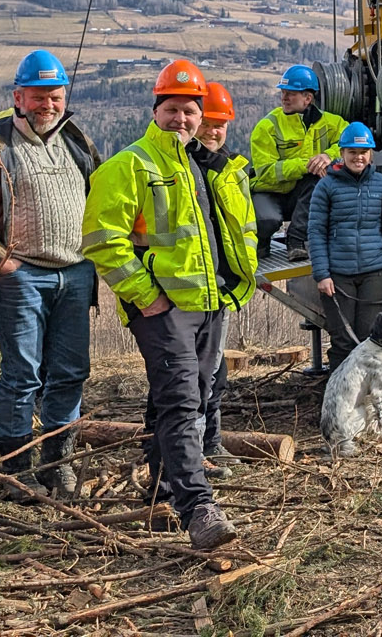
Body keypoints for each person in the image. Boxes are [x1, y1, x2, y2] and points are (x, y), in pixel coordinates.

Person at [82, 59, 257, 550]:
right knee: (181, 401)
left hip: (210, 301)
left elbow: (236, 231)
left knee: (187, 398)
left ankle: (161, 493)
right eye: (172, 109)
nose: (181, 119)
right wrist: (147, 296)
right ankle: (198, 508)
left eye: (190, 111)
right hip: (163, 308)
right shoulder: (131, 165)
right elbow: (102, 240)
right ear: (155, 111)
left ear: (202, 115)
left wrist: (232, 287)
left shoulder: (210, 167)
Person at [0, 50, 100, 497]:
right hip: (21, 277)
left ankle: (58, 463)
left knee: (70, 372)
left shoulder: (75, 140)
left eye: (55, 96)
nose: (47, 104)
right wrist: (2, 262)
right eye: (38, 96)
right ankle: (14, 468)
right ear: (18, 97)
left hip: (75, 273)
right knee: (22, 375)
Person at [307, 122, 382, 369]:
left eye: (363, 152)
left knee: (371, 339)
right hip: (339, 275)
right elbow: (316, 231)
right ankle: (339, 392)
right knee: (342, 341)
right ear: (342, 153)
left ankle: (368, 392)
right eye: (352, 152)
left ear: (371, 154)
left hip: (375, 272)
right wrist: (322, 274)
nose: (358, 157)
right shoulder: (326, 186)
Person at [196, 81, 254, 478]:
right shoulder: (183, 167)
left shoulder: (233, 169)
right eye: (208, 123)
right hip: (188, 289)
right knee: (191, 376)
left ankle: (210, 442)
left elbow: (243, 225)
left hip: (223, 285)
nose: (213, 132)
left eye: (220, 124)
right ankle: (189, 451)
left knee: (215, 371)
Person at [248, 64, 348, 258]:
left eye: (290, 94)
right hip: (271, 191)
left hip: (303, 193)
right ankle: (261, 243)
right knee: (267, 220)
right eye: (283, 92)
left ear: (307, 98)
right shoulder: (267, 126)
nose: (284, 98)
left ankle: (296, 239)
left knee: (319, 181)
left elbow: (349, 141)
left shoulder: (331, 122)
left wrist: (328, 156)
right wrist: (307, 165)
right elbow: (266, 172)